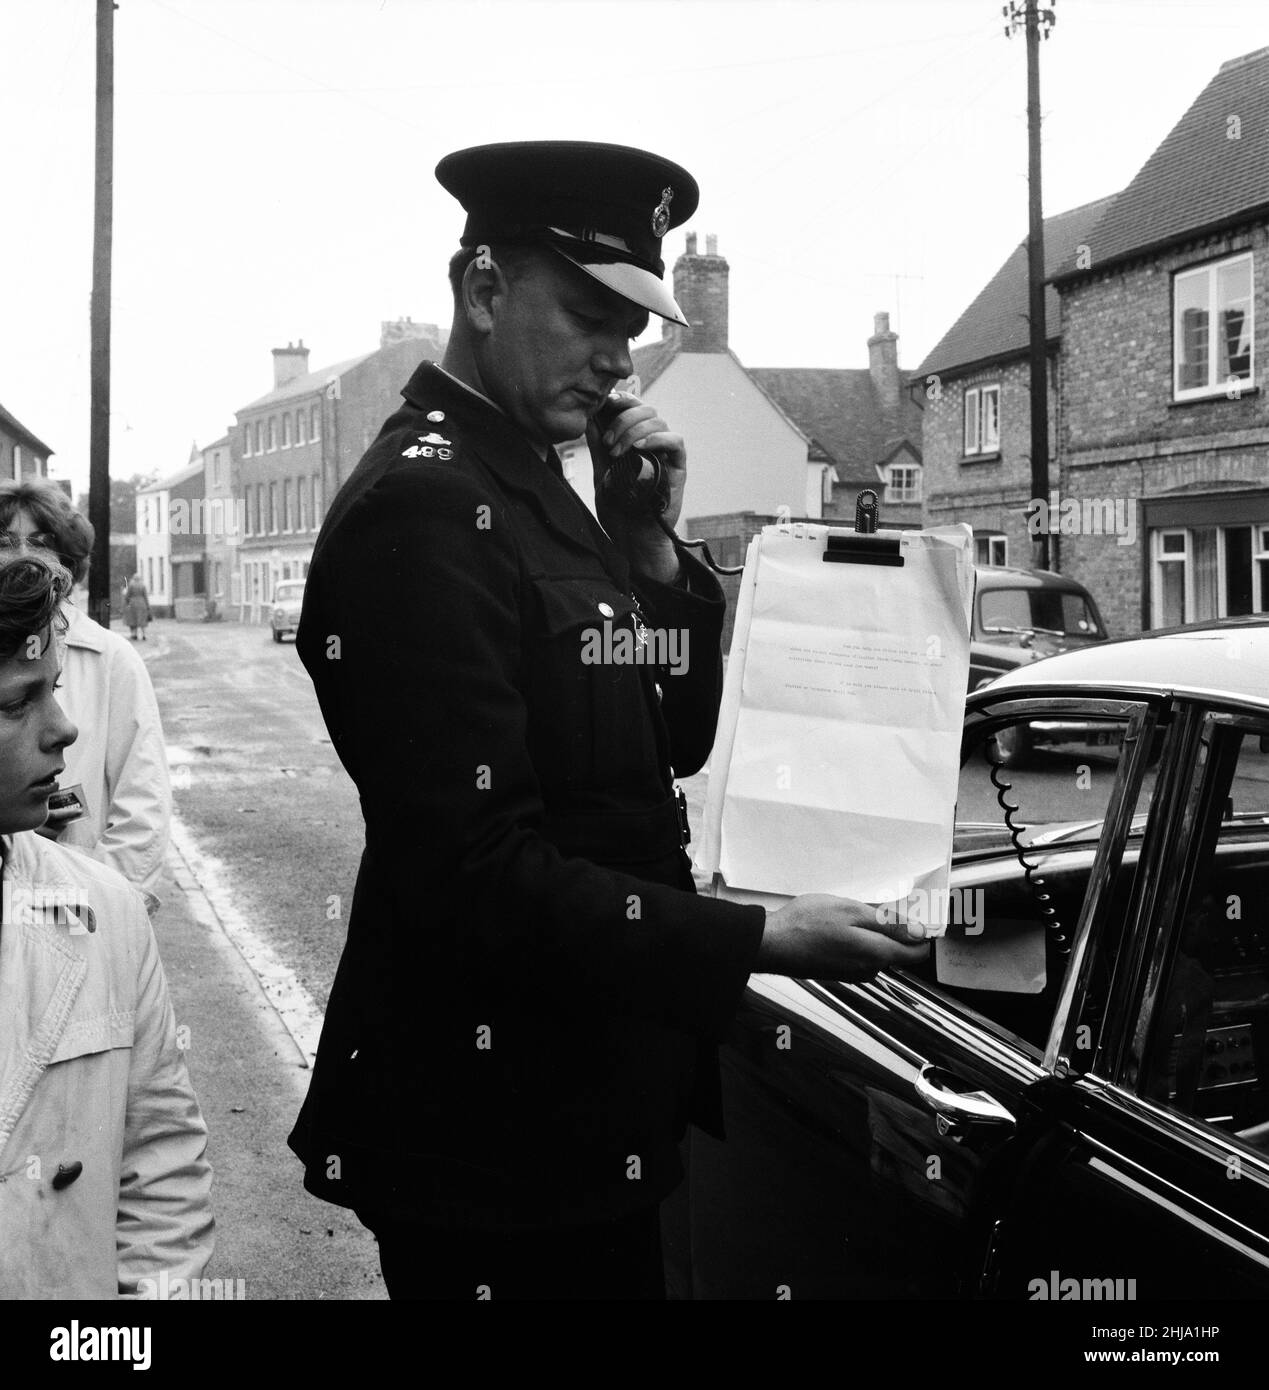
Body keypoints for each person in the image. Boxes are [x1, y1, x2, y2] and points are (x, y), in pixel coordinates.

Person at [288, 140, 928, 1300]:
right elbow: (478, 873)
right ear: (483, 287)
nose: (617, 360)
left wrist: (646, 549)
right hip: (490, 1142)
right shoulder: (428, 507)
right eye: (589, 313)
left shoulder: (534, 483)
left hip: (579, 1105)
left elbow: (665, 745)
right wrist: (760, 939)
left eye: (631, 327)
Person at [0, 550, 213, 1298]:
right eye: (16, 703)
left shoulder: (107, 918)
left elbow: (159, 1172)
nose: (63, 730)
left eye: (52, 692)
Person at [0, 480, 172, 908]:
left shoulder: (111, 658)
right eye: (4, 542)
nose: (20, 556)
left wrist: (97, 910)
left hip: (80, 908)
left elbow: (143, 808)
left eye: (38, 544)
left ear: (66, 560)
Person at [124, 572, 151, 640]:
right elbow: (146, 596)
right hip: (142, 603)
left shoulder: (131, 585)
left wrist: (127, 602)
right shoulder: (143, 585)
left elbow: (127, 595)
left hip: (133, 603)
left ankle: (134, 635)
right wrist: (148, 606)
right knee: (142, 620)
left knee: (134, 619)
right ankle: (144, 635)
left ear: (134, 578)